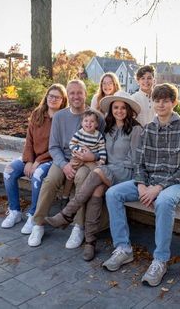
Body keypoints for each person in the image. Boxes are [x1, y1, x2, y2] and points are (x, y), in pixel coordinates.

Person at [102, 83, 180, 287]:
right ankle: (123, 249)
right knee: (112, 194)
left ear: (174, 103)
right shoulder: (148, 129)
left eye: (166, 100)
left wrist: (158, 188)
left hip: (174, 183)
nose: (161, 104)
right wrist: (142, 184)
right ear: (152, 102)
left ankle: (160, 260)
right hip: (148, 181)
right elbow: (139, 163)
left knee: (163, 202)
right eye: (157, 100)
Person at [45, 90, 142, 261]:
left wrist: (103, 165)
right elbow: (100, 152)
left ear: (129, 110)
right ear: (111, 109)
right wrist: (94, 158)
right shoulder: (109, 128)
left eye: (123, 108)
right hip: (107, 170)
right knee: (96, 192)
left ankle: (67, 213)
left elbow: (135, 160)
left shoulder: (135, 129)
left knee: (97, 172)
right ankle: (90, 242)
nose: (119, 111)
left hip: (125, 173)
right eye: (115, 107)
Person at [28, 79, 106, 248]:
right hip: (63, 159)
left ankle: (78, 226)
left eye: (79, 92)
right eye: (72, 93)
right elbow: (53, 146)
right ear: (67, 96)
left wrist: (91, 157)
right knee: (50, 181)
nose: (76, 96)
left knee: (81, 179)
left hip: (87, 163)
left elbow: (104, 147)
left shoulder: (97, 117)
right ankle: (38, 223)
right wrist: (64, 165)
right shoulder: (60, 116)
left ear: (85, 94)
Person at [1, 84, 68, 234]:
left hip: (51, 159)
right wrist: (29, 160)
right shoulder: (38, 113)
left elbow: (59, 147)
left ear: (63, 100)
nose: (53, 99)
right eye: (50, 96)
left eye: (57, 97)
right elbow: (29, 140)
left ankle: (33, 215)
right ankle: (14, 211)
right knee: (9, 171)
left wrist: (38, 162)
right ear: (46, 97)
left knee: (37, 175)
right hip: (33, 157)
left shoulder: (63, 119)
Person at [61, 110, 107, 201]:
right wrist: (79, 151)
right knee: (70, 175)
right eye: (86, 121)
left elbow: (102, 149)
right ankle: (65, 195)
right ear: (82, 123)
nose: (88, 123)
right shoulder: (80, 133)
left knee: (96, 172)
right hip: (77, 158)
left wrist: (102, 160)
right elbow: (72, 144)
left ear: (96, 124)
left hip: (91, 160)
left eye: (92, 121)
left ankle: (91, 194)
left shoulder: (98, 136)